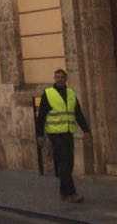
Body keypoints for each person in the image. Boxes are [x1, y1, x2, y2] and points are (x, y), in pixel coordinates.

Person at [34, 68, 91, 204]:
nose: (59, 79)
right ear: (54, 79)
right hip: (55, 134)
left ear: (66, 79)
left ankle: (63, 193)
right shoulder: (48, 94)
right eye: (57, 77)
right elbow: (41, 116)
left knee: (68, 163)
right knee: (65, 162)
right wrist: (40, 135)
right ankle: (71, 193)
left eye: (62, 77)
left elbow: (78, 113)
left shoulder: (71, 93)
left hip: (68, 132)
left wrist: (86, 130)